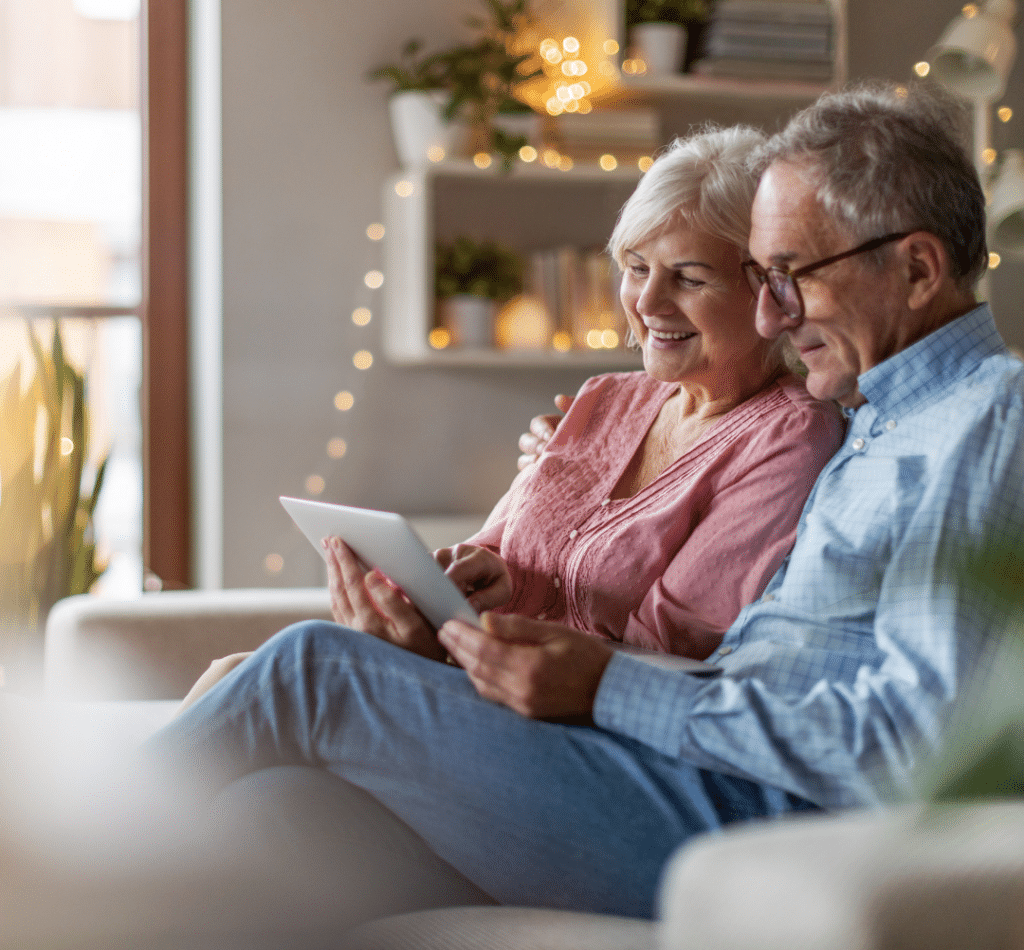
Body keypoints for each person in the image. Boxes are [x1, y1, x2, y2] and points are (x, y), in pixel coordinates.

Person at [146, 81, 1024, 927]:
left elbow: (921, 748)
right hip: (683, 772)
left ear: (916, 270)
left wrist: (612, 691)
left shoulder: (984, 422)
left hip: (756, 818)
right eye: (761, 278)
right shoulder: (875, 421)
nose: (769, 318)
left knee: (314, 670)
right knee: (276, 809)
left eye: (791, 276)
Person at [177, 125, 844, 711]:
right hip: (481, 681)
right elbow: (500, 551)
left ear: (770, 294)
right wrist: (472, 581)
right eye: (636, 268)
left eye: (690, 279)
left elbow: (669, 649)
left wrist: (451, 647)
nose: (646, 301)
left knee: (274, 671)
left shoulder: (790, 436)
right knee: (239, 684)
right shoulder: (605, 398)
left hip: (571, 729)